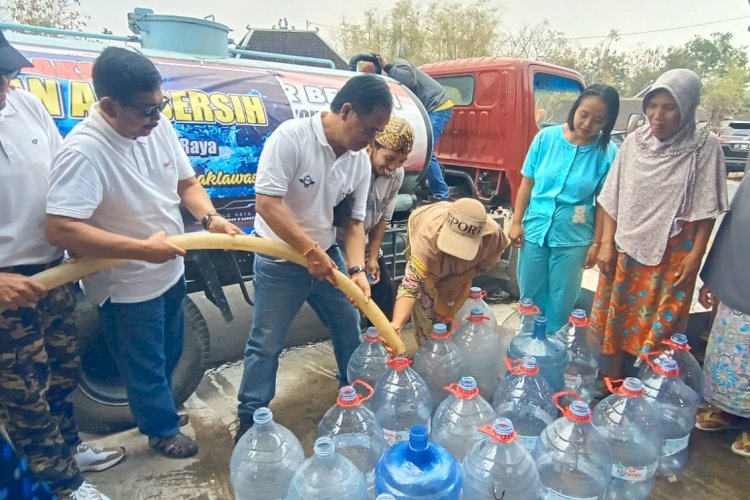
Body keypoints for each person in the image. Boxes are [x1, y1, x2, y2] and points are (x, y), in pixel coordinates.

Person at [45, 47, 242, 459]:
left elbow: (186, 185)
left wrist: (210, 220)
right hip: (127, 286)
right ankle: (161, 429)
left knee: (171, 350)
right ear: (108, 105)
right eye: (146, 111)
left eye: (160, 106)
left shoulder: (158, 126)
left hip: (168, 268)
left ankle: (161, 410)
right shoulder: (84, 152)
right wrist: (139, 249)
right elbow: (62, 228)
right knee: (145, 365)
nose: (156, 119)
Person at [0, 32, 123, 500]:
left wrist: (77, 245)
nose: (5, 85)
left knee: (61, 372)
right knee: (23, 394)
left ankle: (69, 449)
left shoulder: (26, 107)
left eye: (7, 74)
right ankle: (62, 485)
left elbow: (60, 180)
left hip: (52, 270)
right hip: (5, 286)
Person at [235, 74, 392, 440]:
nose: (371, 141)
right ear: (347, 111)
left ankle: (354, 399)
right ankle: (249, 416)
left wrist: (355, 270)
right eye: (370, 130)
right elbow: (268, 204)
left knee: (348, 328)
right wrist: (308, 250)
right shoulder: (292, 138)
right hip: (279, 258)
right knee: (266, 342)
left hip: (326, 256)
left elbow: (354, 223)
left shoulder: (358, 161)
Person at [591, 68, 729, 381]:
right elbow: (613, 197)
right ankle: (610, 379)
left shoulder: (704, 147)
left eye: (669, 107)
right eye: (652, 106)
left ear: (688, 106)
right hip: (627, 245)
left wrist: (696, 256)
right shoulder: (634, 143)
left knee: (662, 321)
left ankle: (651, 386)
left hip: (674, 251)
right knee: (617, 313)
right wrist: (606, 244)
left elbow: (706, 209)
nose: (657, 115)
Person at [509, 84, 620, 332]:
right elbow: (527, 183)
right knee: (530, 297)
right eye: (584, 114)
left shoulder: (607, 153)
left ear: (607, 122)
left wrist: (598, 243)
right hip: (535, 231)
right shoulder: (545, 139)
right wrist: (516, 222)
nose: (587, 123)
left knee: (561, 301)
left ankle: (552, 353)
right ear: (575, 108)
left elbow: (604, 202)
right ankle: (526, 351)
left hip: (574, 238)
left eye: (598, 120)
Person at [391, 198, 509, 345]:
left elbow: (483, 265)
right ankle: (428, 345)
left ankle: (446, 341)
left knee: (452, 297)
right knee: (426, 302)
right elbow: (410, 286)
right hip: (424, 223)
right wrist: (396, 325)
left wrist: (456, 280)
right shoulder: (426, 240)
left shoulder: (492, 235)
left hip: (457, 239)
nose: (455, 254)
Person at [338, 115, 414, 324]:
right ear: (372, 145)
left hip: (365, 247)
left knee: (384, 298)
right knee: (347, 309)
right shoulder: (352, 166)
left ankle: (382, 349)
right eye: (389, 159)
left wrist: (372, 258)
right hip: (337, 247)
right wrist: (351, 264)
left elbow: (383, 219)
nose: (393, 167)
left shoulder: (396, 175)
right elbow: (347, 221)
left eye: (400, 162)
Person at [695, 174, 750, 457]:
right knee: (731, 358)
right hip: (740, 285)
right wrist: (713, 279)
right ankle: (732, 413)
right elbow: (731, 232)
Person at [373, 53, 452, 200]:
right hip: (427, 108)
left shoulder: (399, 64)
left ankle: (441, 194)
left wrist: (387, 67)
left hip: (437, 106)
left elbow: (410, 81)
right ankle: (423, 186)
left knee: (426, 150)